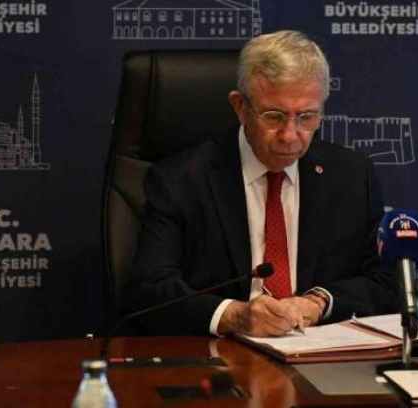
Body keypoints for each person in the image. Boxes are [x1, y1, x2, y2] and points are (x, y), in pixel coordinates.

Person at [124, 30, 397, 337]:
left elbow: (387, 283)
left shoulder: (351, 176)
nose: (290, 135)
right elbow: (150, 289)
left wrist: (320, 302)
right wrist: (234, 316)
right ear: (240, 107)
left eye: (306, 116)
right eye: (274, 116)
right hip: (220, 356)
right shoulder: (181, 181)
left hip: (320, 353)